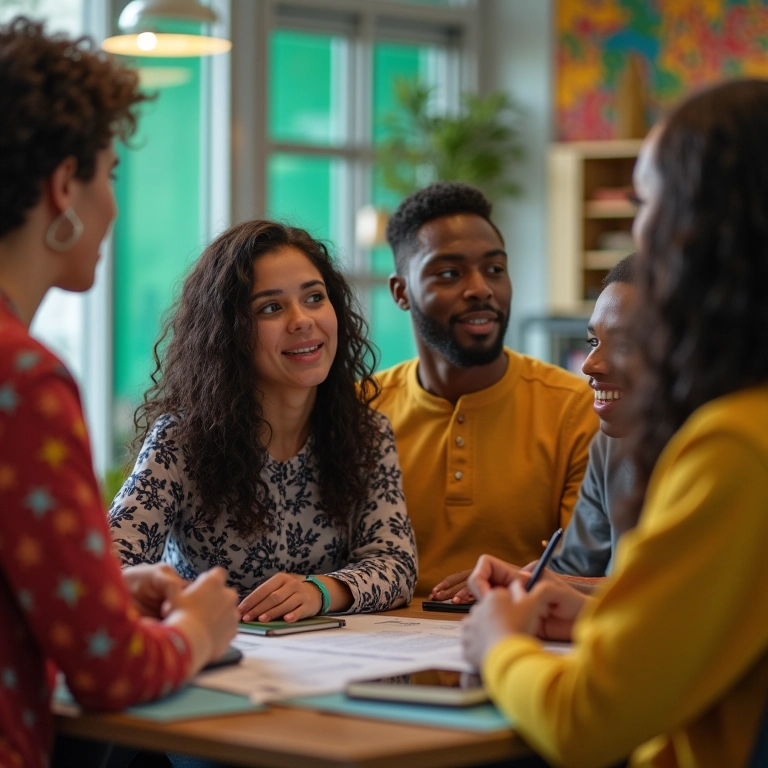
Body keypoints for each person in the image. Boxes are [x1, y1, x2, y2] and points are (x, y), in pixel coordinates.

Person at [462, 79, 768, 768]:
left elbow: (585, 720)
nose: (638, 233)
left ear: (707, 226)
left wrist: (499, 645)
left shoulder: (733, 447)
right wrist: (602, 618)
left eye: (649, 203)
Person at [0, 17, 240, 768]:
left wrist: (99, 588)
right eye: (110, 174)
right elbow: (111, 674)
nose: (112, 207)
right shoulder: (25, 379)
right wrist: (199, 628)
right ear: (63, 186)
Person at [108, 219, 417, 621]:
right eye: (271, 307)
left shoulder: (367, 435)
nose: (302, 319)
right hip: (214, 661)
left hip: (332, 665)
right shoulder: (180, 440)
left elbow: (395, 562)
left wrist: (321, 590)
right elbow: (112, 564)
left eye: (314, 298)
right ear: (228, 333)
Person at [373, 180, 597, 596]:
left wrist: (516, 580)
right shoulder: (359, 410)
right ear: (401, 292)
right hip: (378, 653)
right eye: (449, 273)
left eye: (495, 269)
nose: (481, 288)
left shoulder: (574, 409)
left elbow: (589, 568)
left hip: (521, 641)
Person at [435, 252, 638, 602]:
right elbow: (576, 568)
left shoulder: (729, 452)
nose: (590, 365)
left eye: (624, 345)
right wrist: (526, 576)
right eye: (593, 342)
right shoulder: (609, 446)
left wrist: (536, 580)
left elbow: (678, 592)